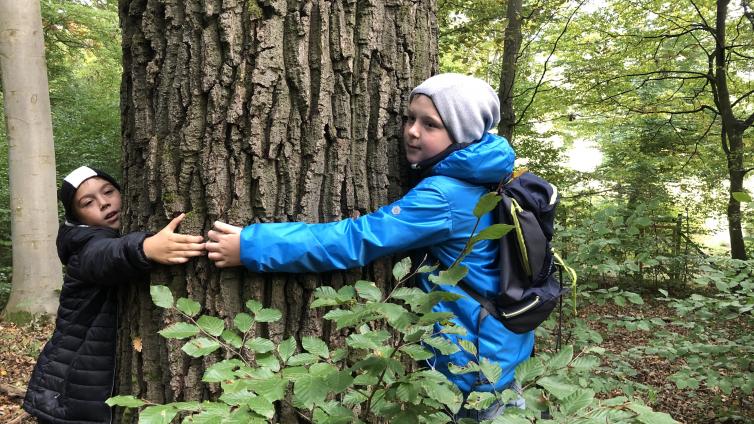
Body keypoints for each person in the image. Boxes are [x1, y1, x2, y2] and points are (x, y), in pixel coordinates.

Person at [206, 73, 534, 419]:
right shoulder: (490, 175)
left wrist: (253, 246)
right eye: (410, 118)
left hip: (467, 368)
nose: (412, 131)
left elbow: (356, 239)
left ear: (463, 134)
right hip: (501, 352)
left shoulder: (443, 196)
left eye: (431, 124)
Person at [23, 166, 206, 424]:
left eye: (108, 191)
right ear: (78, 217)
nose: (104, 203)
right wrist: (145, 248)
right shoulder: (82, 247)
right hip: (72, 386)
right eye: (88, 202)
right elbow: (104, 256)